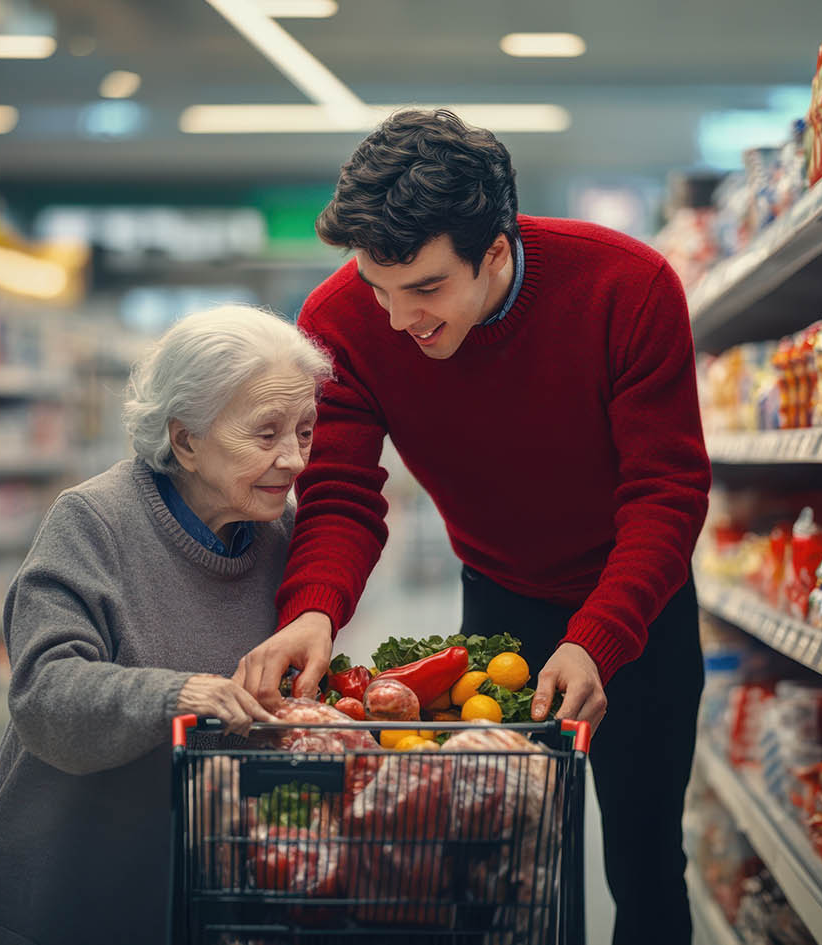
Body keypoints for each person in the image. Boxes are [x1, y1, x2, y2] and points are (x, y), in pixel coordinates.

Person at [233, 109, 711, 942]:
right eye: (378, 287)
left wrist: (598, 636)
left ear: (495, 250)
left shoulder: (626, 286)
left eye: (424, 288)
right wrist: (313, 607)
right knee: (492, 858)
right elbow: (344, 492)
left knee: (643, 862)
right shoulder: (342, 319)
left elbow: (665, 492)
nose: (396, 319)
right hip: (497, 605)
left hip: (636, 607)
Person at [0, 305, 332, 945]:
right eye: (265, 433)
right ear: (185, 439)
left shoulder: (283, 533)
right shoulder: (93, 521)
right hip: (69, 893)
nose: (294, 459)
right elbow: (44, 692)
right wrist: (179, 694)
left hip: (204, 892)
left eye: (304, 430)